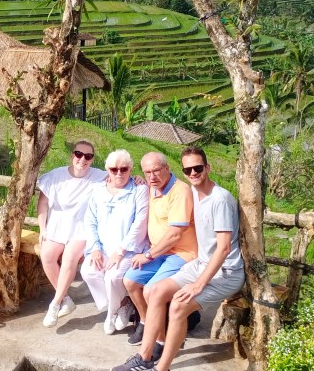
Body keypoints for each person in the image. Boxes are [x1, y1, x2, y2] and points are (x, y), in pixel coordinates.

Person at [113, 146, 244, 371]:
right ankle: (144, 357)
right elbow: (167, 188)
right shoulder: (192, 192)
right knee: (153, 291)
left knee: (178, 306)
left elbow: (223, 250)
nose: (193, 173)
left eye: (198, 168)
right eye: (188, 170)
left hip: (226, 272)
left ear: (208, 168)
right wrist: (140, 179)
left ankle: (161, 367)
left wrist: (198, 284)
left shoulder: (219, 199)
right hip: (201, 264)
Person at [122, 152, 197, 353]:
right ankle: (147, 323)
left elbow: (175, 235)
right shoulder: (150, 188)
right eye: (147, 173)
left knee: (150, 290)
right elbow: (124, 181)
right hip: (159, 252)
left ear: (167, 169)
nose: (152, 176)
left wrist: (147, 255)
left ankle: (160, 340)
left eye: (156, 171)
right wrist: (134, 179)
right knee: (130, 281)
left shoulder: (180, 191)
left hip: (181, 253)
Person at [77, 149, 149, 334]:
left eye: (124, 169)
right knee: (88, 272)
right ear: (107, 169)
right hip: (102, 247)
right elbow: (90, 220)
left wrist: (121, 250)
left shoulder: (139, 189)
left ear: (131, 169)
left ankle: (110, 315)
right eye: (114, 169)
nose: (118, 173)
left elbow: (140, 223)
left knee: (113, 277)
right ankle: (123, 304)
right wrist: (94, 248)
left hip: (129, 249)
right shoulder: (98, 189)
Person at [37, 140, 106, 327]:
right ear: (72, 155)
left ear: (92, 160)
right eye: (79, 154)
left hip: (81, 228)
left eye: (88, 156)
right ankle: (66, 299)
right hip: (57, 225)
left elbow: (122, 175)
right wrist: (42, 228)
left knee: (69, 259)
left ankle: (55, 303)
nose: (82, 159)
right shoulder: (56, 176)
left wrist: (139, 179)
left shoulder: (99, 176)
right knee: (47, 256)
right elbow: (43, 203)